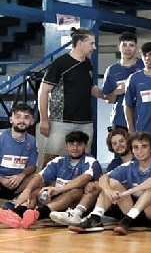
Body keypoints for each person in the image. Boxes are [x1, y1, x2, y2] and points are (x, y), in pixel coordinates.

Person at [69, 132, 151, 235]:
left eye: (144, 147)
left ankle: (128, 219)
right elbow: (103, 177)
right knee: (111, 182)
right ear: (132, 150)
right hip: (131, 214)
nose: (140, 151)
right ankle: (95, 218)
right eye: (135, 147)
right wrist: (108, 191)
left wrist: (128, 192)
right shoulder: (128, 166)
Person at [0, 131, 102, 229]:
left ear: (86, 146)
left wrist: (60, 189)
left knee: (76, 190)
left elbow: (85, 178)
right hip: (57, 201)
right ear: (66, 146)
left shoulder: (91, 161)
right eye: (71, 144)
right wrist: (27, 191)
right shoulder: (58, 161)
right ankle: (18, 213)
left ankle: (38, 214)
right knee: (36, 191)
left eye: (79, 144)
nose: (75, 148)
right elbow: (39, 177)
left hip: (77, 204)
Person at [38, 28, 105, 163]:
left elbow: (91, 87)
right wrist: (44, 119)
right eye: (91, 43)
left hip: (85, 122)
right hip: (61, 121)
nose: (94, 47)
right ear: (80, 43)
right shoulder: (60, 63)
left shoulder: (88, 63)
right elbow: (43, 91)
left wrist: (107, 95)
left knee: (83, 161)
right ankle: (45, 184)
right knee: (51, 159)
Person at [49, 128, 133, 226]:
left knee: (107, 183)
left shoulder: (138, 160)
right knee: (96, 185)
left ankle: (86, 216)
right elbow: (103, 179)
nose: (118, 145)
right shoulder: (114, 164)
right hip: (116, 204)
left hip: (135, 206)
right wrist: (96, 185)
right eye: (114, 143)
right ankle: (78, 213)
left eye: (121, 141)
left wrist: (105, 187)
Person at [102, 32, 144, 131]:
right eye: (124, 45)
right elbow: (108, 99)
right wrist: (117, 91)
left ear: (136, 48)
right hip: (120, 121)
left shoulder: (144, 66)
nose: (128, 49)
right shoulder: (112, 70)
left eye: (131, 45)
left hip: (142, 120)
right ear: (118, 47)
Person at [0, 104, 38, 209]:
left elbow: (32, 167)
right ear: (11, 120)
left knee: (37, 179)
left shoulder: (32, 140)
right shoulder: (1, 137)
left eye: (26, 117)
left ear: (32, 121)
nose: (22, 120)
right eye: (18, 117)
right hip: (1, 180)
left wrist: (21, 175)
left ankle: (14, 203)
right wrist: (2, 179)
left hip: (17, 183)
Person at [124, 42, 151, 137]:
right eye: (144, 55)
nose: (147, 58)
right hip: (142, 131)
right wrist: (131, 129)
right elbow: (128, 105)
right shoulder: (134, 79)